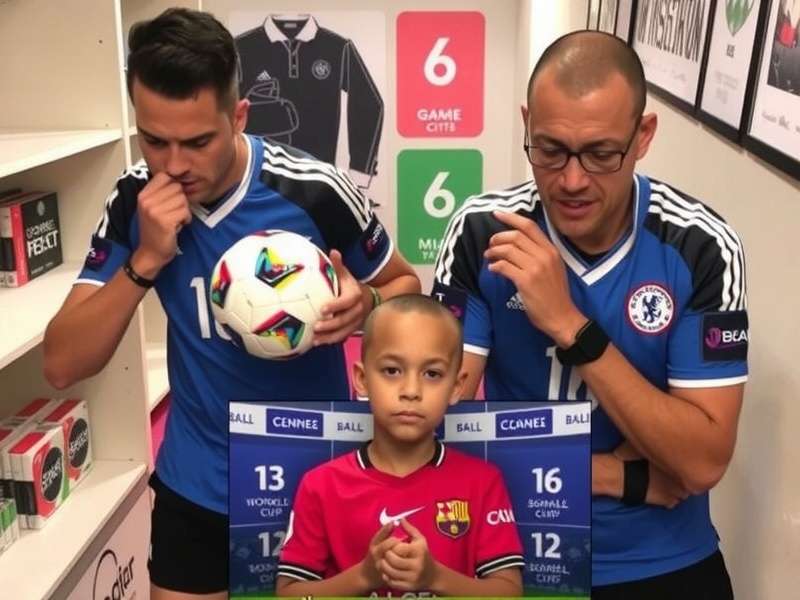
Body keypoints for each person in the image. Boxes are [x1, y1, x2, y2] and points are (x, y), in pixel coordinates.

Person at [42, 8, 419, 600]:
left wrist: (366, 301)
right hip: (199, 485)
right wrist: (144, 263)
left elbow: (405, 286)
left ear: (238, 116)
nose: (173, 164)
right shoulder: (134, 199)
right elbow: (62, 363)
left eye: (197, 141)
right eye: (154, 140)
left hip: (319, 479)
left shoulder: (313, 189)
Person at [433, 31, 747, 598]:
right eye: (549, 150)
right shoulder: (484, 231)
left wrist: (570, 325)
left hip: (661, 559)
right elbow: (428, 422)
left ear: (643, 135)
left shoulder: (702, 245)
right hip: (509, 553)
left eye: (602, 153)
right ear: (526, 124)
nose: (572, 180)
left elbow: (700, 464)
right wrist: (621, 475)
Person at [275, 294, 524, 597]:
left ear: (456, 387)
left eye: (432, 374)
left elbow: (510, 593)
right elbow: (288, 594)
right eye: (392, 370)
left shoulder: (483, 482)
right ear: (362, 379)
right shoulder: (320, 485)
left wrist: (436, 577)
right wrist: (364, 576)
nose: (411, 391)